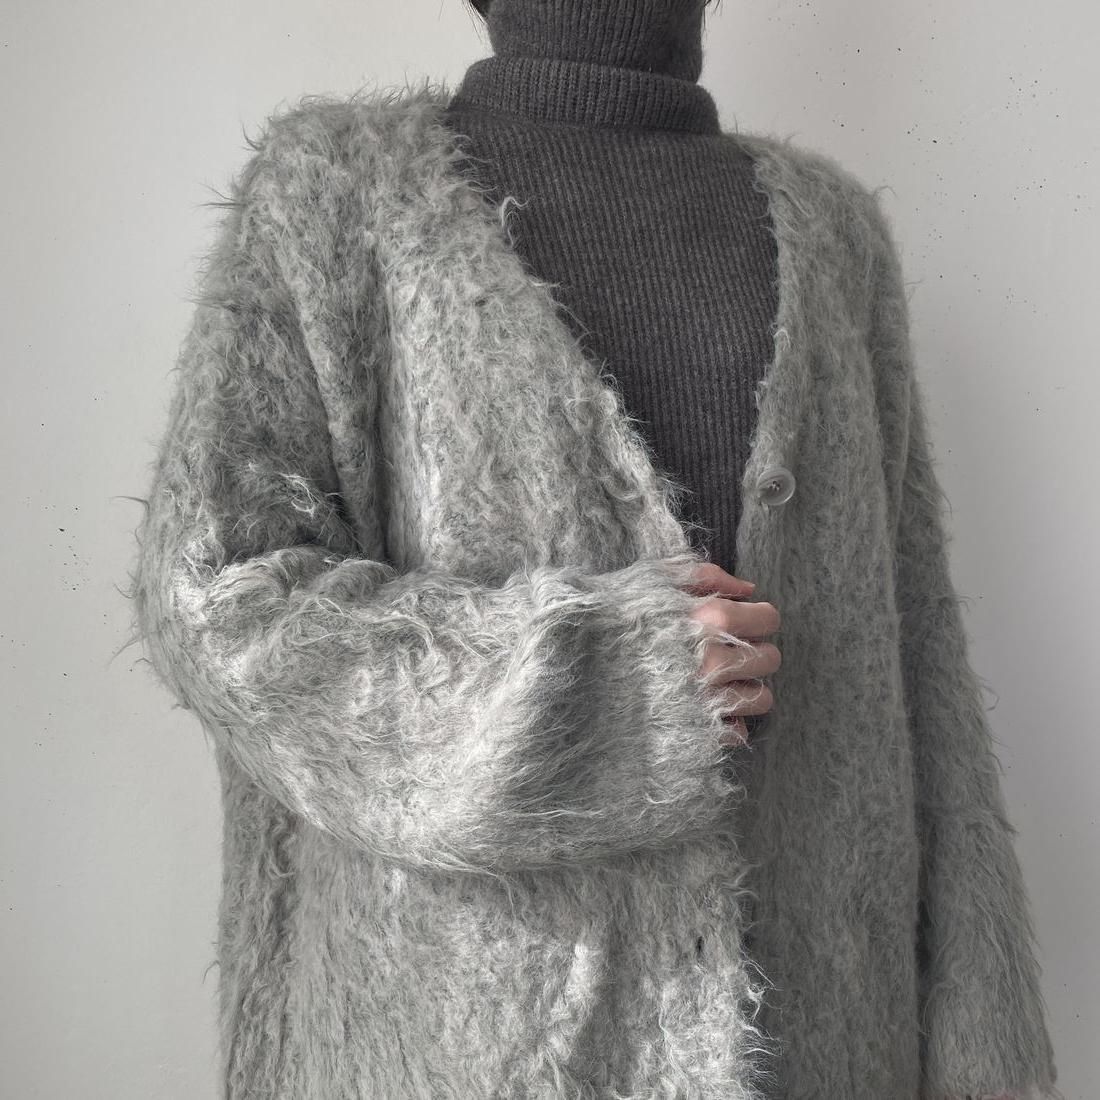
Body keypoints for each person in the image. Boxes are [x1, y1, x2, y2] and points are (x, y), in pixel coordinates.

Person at [126, 0, 1059, 1095]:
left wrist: (984, 1055)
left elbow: (920, 667)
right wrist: (610, 689)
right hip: (467, 1044)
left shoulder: (837, 232)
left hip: (829, 1039)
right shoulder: (333, 194)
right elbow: (220, 599)